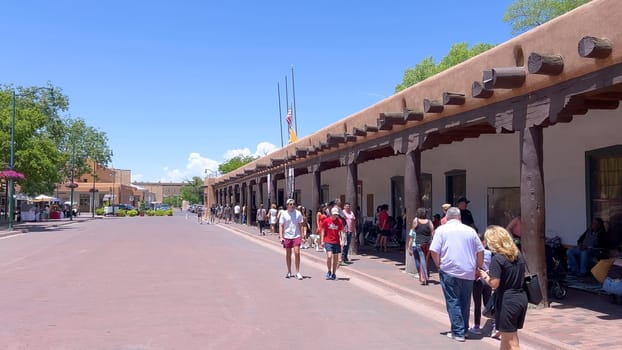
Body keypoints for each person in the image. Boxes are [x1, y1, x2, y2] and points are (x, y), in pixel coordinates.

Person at [430, 207, 484, 342]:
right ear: (459, 217)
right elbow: (480, 251)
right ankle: (464, 329)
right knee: (465, 301)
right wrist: (478, 266)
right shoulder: (470, 231)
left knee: (453, 301)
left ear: (446, 218)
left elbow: (434, 250)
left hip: (449, 270)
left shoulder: (441, 230)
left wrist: (439, 265)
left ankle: (458, 331)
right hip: (468, 271)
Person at [479, 225, 528, 350]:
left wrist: (484, 275)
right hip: (520, 298)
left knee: (511, 341)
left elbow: (494, 284)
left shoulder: (498, 259)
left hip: (507, 300)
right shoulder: (518, 255)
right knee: (508, 337)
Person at [470, 232, 493, 335]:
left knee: (477, 304)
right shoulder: (489, 253)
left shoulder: (472, 253)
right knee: (488, 304)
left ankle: (476, 326)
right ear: (485, 242)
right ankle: (493, 326)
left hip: (477, 280)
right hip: (488, 280)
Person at [407, 208, 435, 285]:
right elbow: (433, 233)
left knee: (422, 260)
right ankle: (425, 276)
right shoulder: (429, 222)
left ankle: (423, 278)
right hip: (428, 244)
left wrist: (409, 247)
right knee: (426, 260)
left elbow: (412, 234)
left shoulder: (416, 221)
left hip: (419, 243)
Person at [279, 199, 304, 280]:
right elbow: (281, 225)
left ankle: (298, 272)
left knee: (297, 253)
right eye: (290, 204)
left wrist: (302, 236)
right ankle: (289, 271)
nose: (292, 205)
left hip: (296, 235)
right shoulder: (284, 214)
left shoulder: (298, 213)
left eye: (293, 204)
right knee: (288, 254)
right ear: (287, 205)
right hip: (287, 236)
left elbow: (301, 225)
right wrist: (281, 236)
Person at [321, 207, 344, 280]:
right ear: (331, 214)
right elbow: (323, 230)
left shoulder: (339, 221)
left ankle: (334, 273)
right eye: (334, 214)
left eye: (336, 214)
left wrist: (342, 240)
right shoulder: (326, 220)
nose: (335, 216)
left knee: (335, 258)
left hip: (336, 241)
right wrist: (322, 240)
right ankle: (329, 271)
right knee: (329, 256)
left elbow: (341, 231)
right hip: (328, 241)